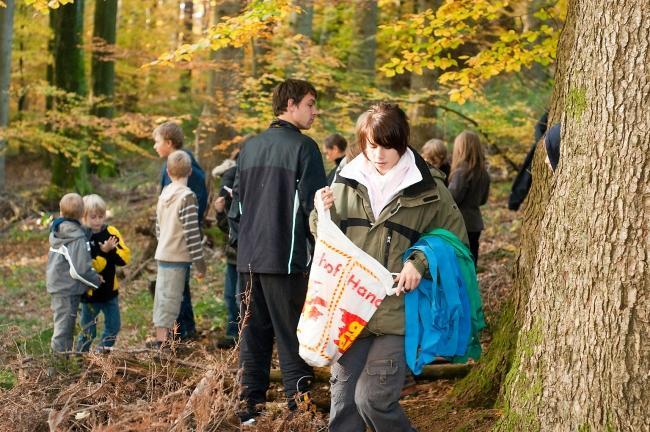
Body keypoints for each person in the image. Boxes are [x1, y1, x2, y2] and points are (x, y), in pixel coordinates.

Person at [315, 103, 467, 432]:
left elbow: (455, 241)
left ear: (402, 143)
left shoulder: (430, 190)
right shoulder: (345, 180)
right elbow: (326, 236)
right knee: (343, 404)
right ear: (362, 142)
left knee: (373, 399)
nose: (380, 154)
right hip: (351, 310)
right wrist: (321, 214)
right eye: (372, 145)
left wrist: (420, 262)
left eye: (388, 146)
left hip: (398, 312)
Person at [228, 78, 327, 425]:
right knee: (292, 335)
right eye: (310, 104)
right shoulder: (306, 149)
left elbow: (234, 208)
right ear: (290, 105)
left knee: (252, 335)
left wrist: (241, 246)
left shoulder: (250, 147)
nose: (315, 111)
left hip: (249, 261)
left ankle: (248, 409)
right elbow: (317, 210)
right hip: (286, 261)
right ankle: (299, 408)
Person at [153, 122, 208, 341]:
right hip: (173, 248)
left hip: (176, 245)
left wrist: (166, 241)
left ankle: (180, 333)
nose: (155, 146)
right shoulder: (177, 173)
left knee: (172, 295)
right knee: (172, 294)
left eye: (157, 142)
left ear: (169, 143)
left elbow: (189, 221)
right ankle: (177, 334)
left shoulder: (184, 171)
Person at [47, 193, 102, 353]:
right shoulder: (75, 237)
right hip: (66, 288)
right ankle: (56, 370)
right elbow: (80, 270)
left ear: (61, 211)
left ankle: (63, 364)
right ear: (82, 213)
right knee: (63, 330)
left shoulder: (60, 229)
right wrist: (96, 280)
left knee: (66, 328)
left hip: (61, 285)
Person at [76, 194, 131, 352]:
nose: (98, 221)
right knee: (88, 332)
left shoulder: (111, 232)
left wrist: (111, 251)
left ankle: (101, 354)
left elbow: (124, 259)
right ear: (83, 216)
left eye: (101, 216)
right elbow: (87, 264)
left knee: (114, 326)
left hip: (110, 292)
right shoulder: (81, 236)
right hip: (90, 294)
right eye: (93, 217)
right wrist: (103, 251)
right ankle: (80, 358)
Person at [448, 130, 491, 266]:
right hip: (475, 223)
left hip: (459, 224)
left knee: (458, 263)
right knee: (471, 261)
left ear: (460, 149)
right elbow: (483, 200)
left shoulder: (461, 173)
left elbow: (451, 198)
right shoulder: (483, 173)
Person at [213, 152, 240, 349]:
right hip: (232, 256)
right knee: (230, 296)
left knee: (241, 297)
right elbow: (227, 228)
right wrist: (220, 212)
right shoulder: (229, 187)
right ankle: (232, 333)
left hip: (246, 257)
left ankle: (244, 335)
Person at [508, 110, 548, 210]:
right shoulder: (550, 111)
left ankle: (515, 201)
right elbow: (539, 127)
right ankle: (515, 200)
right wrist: (543, 145)